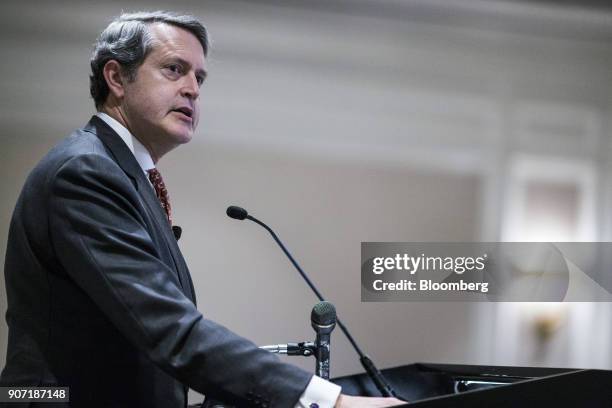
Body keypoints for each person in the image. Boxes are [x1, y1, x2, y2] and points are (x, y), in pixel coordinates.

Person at [0, 11, 405, 408]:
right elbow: (170, 331)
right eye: (175, 69)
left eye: (200, 77)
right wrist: (328, 402)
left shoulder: (124, 175)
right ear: (116, 77)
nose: (193, 88)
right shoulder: (86, 171)